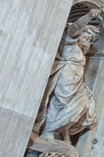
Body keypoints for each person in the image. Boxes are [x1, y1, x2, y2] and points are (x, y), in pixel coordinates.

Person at [34, 9, 100, 143]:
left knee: (84, 105)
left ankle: (58, 129)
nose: (89, 39)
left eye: (92, 38)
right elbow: (74, 28)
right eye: (87, 35)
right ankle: (49, 131)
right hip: (64, 80)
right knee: (58, 104)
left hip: (76, 83)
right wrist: (89, 16)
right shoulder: (70, 41)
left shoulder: (81, 51)